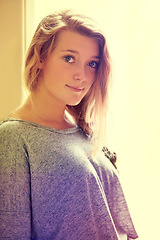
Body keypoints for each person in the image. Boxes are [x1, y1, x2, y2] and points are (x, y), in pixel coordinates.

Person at [0, 10, 138, 240]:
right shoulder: (13, 139)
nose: (81, 75)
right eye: (69, 58)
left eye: (91, 63)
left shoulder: (82, 129)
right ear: (40, 57)